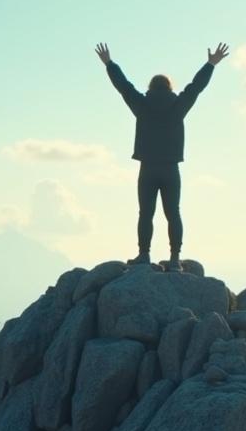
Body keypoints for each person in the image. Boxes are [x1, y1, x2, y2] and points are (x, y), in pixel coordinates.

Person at [95, 41, 229, 270]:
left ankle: (144, 255)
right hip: (170, 168)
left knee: (145, 213)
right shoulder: (179, 105)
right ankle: (176, 260)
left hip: (147, 168)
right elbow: (195, 87)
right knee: (173, 214)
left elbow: (124, 87)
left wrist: (109, 63)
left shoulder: (141, 104)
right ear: (169, 87)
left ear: (151, 87)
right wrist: (210, 64)